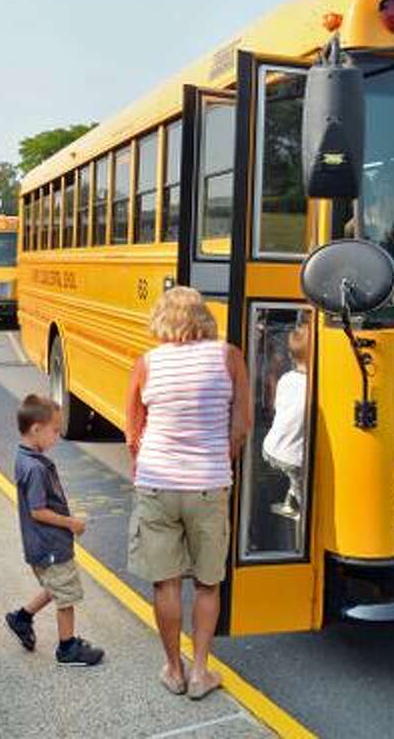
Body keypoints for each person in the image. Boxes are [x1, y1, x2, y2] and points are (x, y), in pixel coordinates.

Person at [124, 286, 251, 699]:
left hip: (157, 483)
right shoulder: (229, 357)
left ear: (163, 318)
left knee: (166, 584)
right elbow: (241, 424)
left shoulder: (146, 364)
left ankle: (173, 670)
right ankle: (200, 673)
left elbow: (133, 432)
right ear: (203, 318)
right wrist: (219, 457)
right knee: (207, 584)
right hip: (207, 484)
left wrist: (145, 468)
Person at [4, 395, 105, 666]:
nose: (57, 437)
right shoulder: (35, 467)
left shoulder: (24, 456)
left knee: (56, 585)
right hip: (50, 545)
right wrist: (71, 523)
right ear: (36, 428)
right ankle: (67, 648)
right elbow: (38, 510)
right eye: (55, 430)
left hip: (40, 545)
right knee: (66, 597)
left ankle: (21, 618)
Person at [261, 324, 310, 519]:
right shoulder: (314, 385)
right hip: (293, 456)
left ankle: (290, 504)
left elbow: (278, 407)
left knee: (295, 478)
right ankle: (299, 511)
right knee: (301, 483)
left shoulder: (287, 379)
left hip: (272, 447)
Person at [347, 162, 394, 260]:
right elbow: (346, 239)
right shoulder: (364, 215)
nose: (387, 190)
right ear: (376, 187)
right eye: (383, 184)